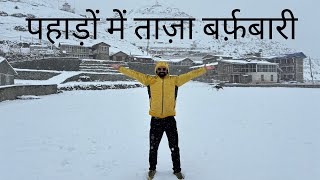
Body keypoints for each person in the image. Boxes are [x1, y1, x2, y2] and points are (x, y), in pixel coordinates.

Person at [111, 62, 214, 179]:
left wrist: (204, 69)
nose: (162, 70)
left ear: (167, 70)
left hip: (170, 120)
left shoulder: (175, 80)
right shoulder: (150, 80)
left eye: (164, 69)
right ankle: (152, 169)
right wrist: (120, 68)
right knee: (153, 147)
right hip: (155, 120)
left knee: (174, 147)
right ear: (156, 70)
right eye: (159, 68)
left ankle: (177, 170)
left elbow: (190, 75)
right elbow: (135, 74)